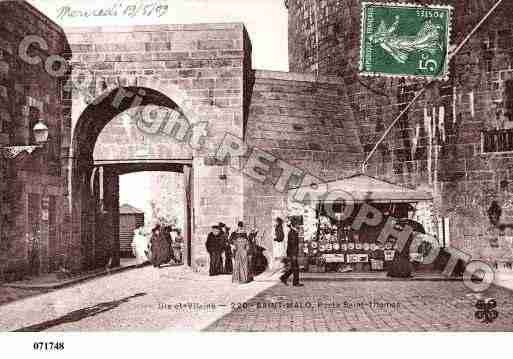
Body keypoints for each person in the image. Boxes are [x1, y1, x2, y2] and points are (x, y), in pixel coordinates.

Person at [280, 220, 303, 286]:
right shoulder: (293, 233)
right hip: (293, 253)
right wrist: (293, 255)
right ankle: (295, 283)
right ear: (293, 226)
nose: (298, 227)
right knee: (295, 267)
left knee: (294, 267)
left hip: (292, 253)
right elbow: (292, 245)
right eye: (296, 226)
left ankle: (283, 277)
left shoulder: (294, 232)